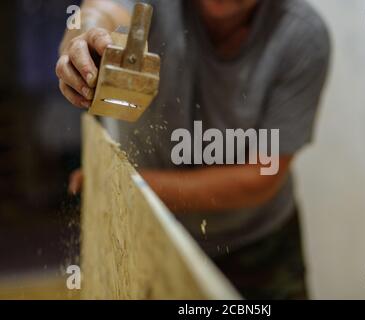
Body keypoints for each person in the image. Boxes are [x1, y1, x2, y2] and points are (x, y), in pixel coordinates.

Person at [56, 0, 330, 299]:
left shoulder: (301, 34)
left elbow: (259, 177)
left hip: (256, 247)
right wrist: (85, 41)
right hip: (147, 234)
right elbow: (104, 9)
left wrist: (124, 188)